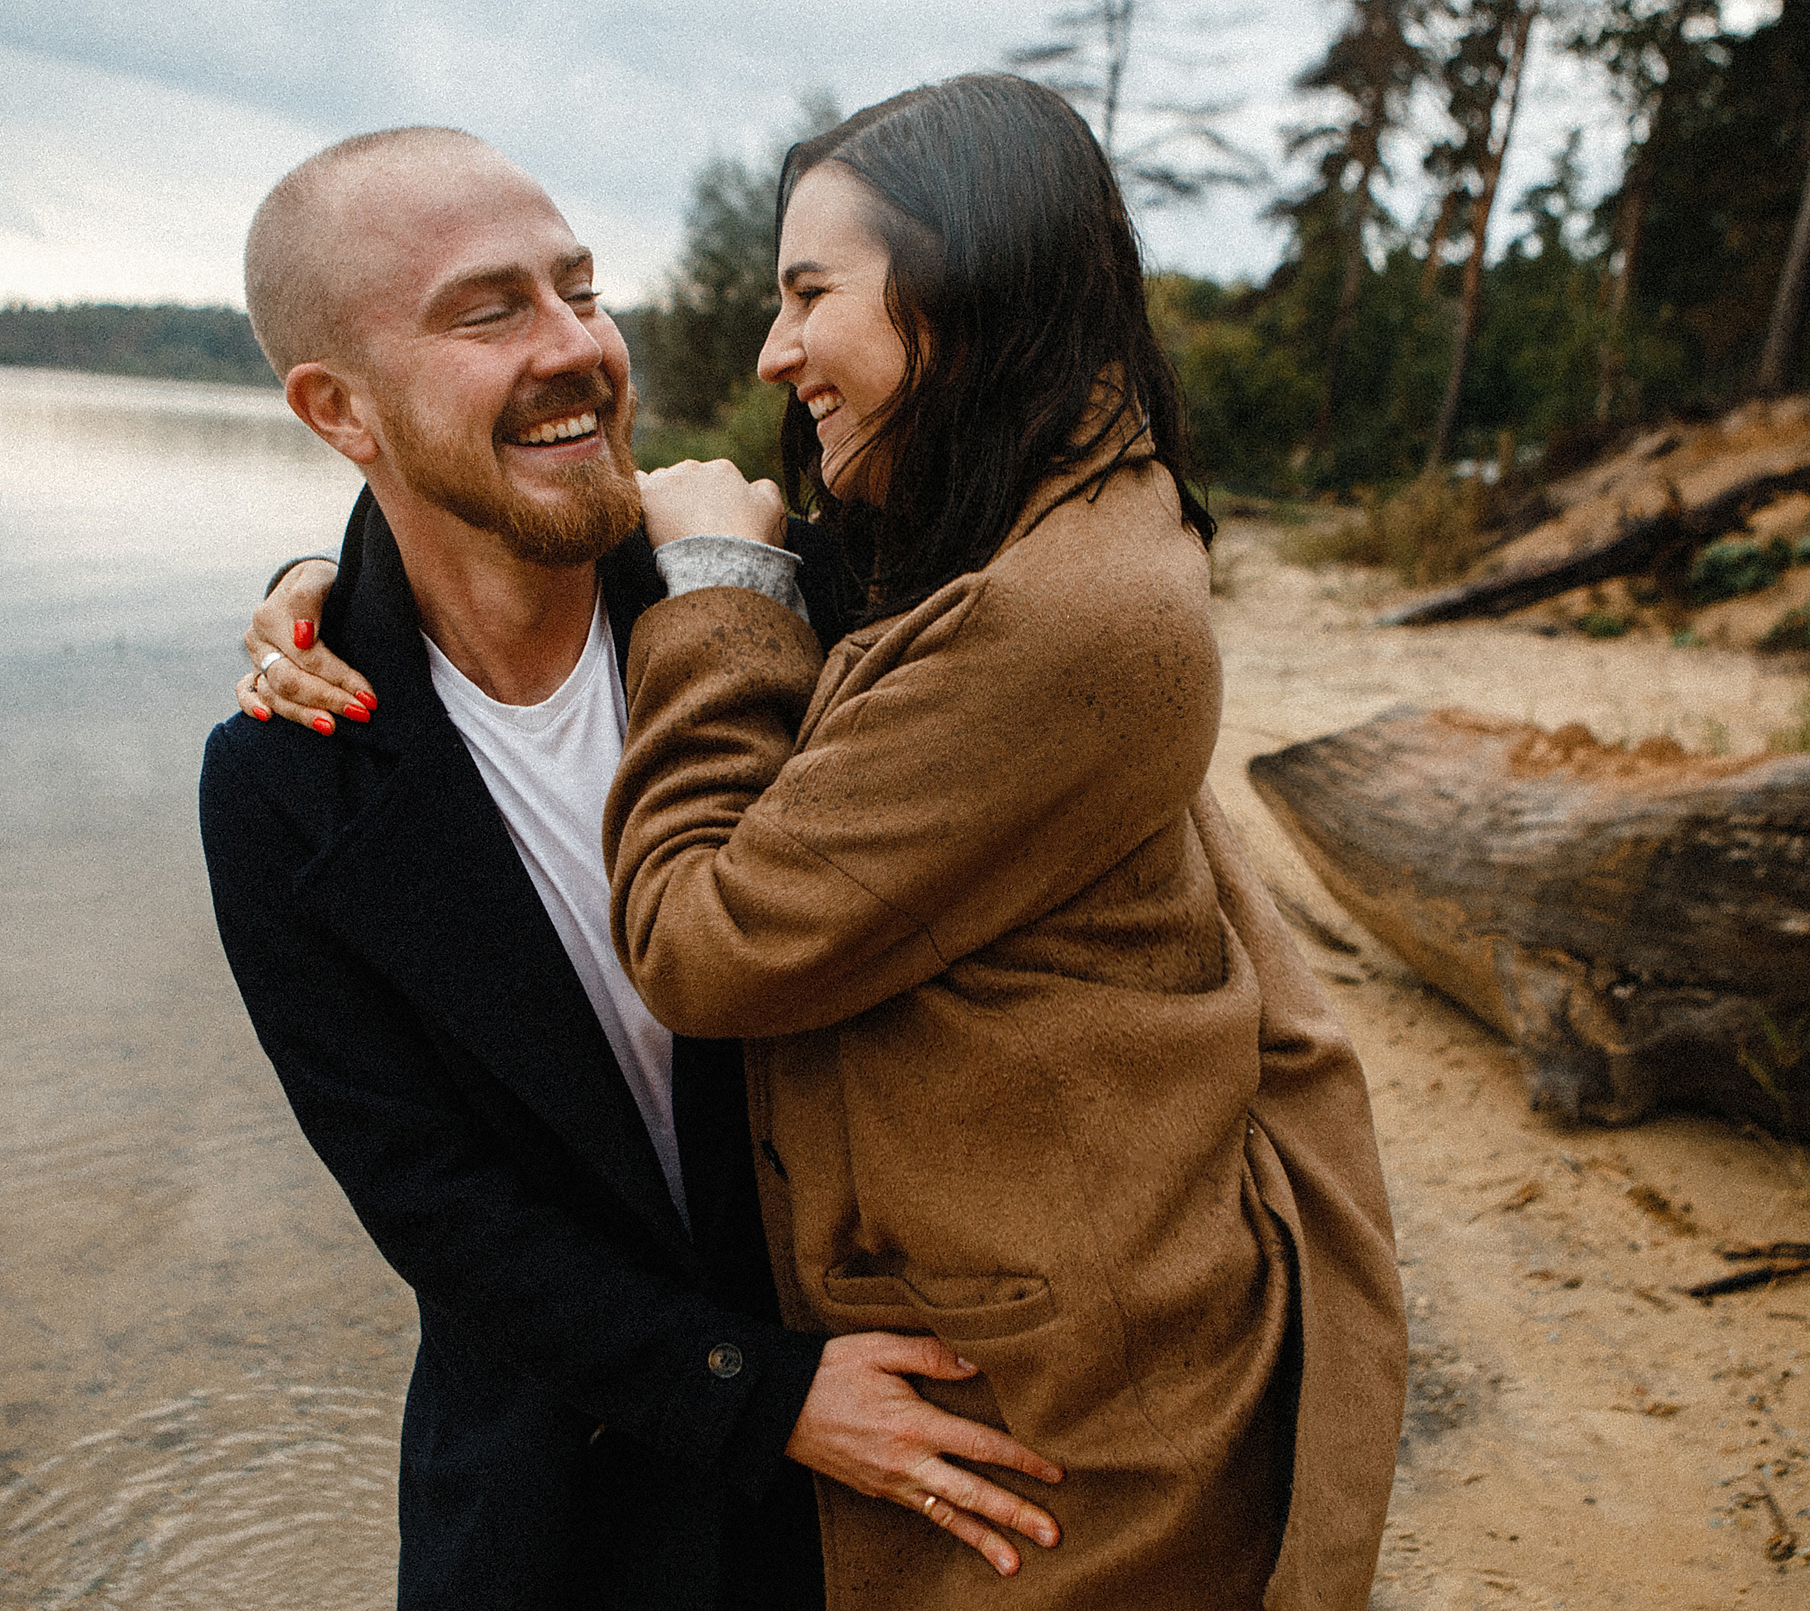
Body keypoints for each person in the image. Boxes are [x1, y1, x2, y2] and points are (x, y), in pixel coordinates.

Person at [198, 125, 1065, 1611]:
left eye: (582, 289)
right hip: (555, 1508)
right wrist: (761, 1394)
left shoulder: (775, 589)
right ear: (339, 409)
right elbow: (430, 1201)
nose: (578, 347)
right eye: (491, 311)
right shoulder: (291, 775)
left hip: (909, 1452)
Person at [603, 77, 1406, 1607]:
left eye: (808, 293)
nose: (774, 352)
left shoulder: (1062, 613)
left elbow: (702, 943)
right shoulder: (1059, 519)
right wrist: (351, 577)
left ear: (963, 284)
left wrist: (714, 590)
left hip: (1065, 1435)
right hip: (1085, 1355)